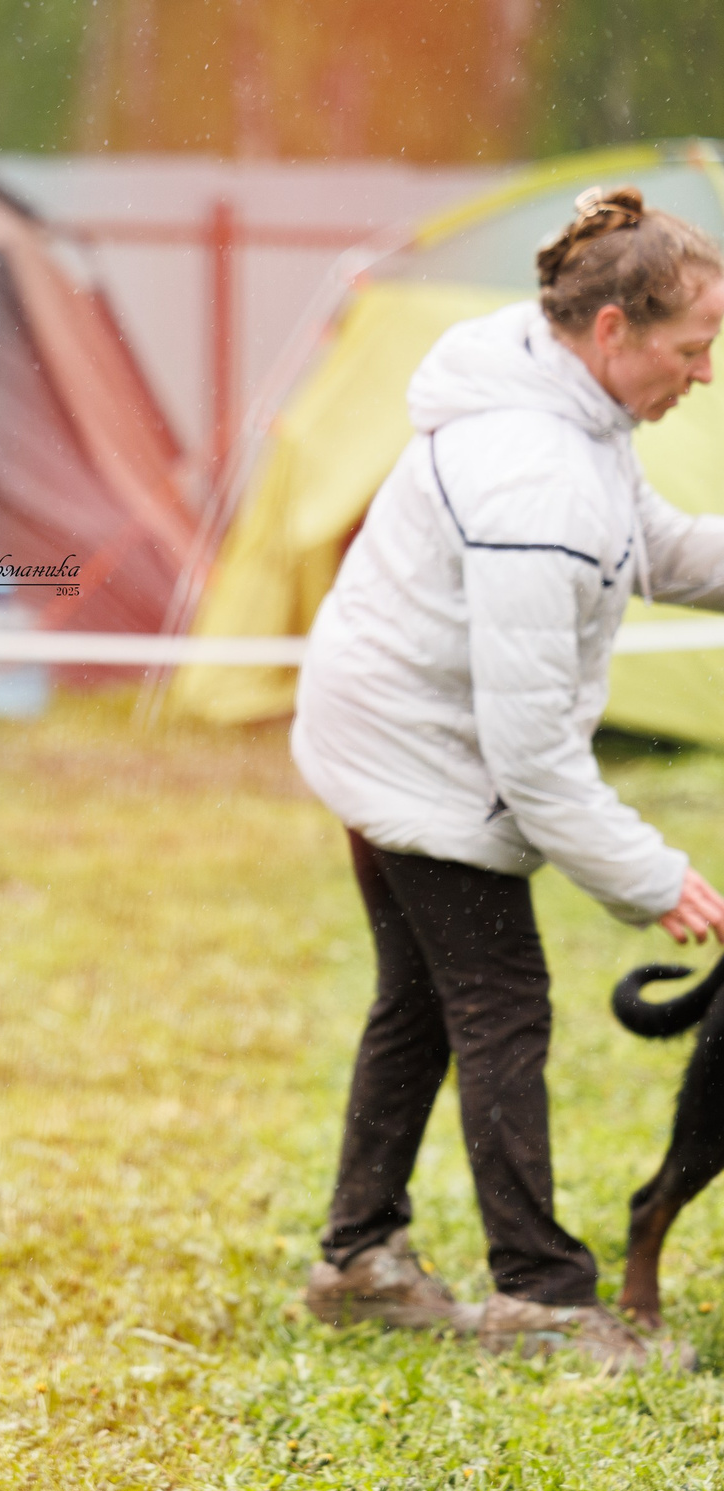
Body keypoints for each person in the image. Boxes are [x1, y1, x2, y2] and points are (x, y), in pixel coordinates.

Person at [294, 186, 724, 1372]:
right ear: (610, 334)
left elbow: (657, 549)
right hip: (421, 760)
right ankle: (538, 1295)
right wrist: (652, 875)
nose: (701, 374)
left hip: (380, 728)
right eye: (691, 351)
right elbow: (532, 757)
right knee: (501, 1005)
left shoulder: (571, 419)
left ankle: (358, 1260)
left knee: (421, 1000)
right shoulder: (532, 475)